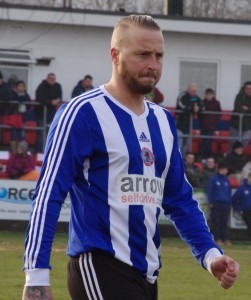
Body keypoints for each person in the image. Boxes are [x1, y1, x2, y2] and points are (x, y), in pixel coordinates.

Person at [22, 15, 239, 300]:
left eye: (159, 55)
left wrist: (210, 255)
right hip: (99, 266)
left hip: (147, 274)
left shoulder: (163, 121)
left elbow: (179, 200)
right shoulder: (82, 114)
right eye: (142, 54)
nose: (153, 64)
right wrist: (36, 277)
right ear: (115, 55)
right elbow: (48, 194)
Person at [34, 72, 62, 152]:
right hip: (41, 113)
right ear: (47, 79)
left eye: (53, 79)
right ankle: (39, 151)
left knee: (51, 132)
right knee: (41, 133)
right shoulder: (42, 86)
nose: (52, 80)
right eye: (50, 78)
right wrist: (50, 102)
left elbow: (59, 96)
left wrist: (57, 100)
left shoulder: (57, 86)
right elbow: (39, 98)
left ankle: (48, 150)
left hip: (52, 113)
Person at [175, 83, 203, 157]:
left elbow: (202, 105)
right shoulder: (182, 96)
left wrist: (198, 108)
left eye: (195, 91)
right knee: (179, 143)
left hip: (189, 125)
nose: (194, 92)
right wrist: (192, 108)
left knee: (185, 144)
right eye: (193, 90)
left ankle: (183, 159)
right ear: (189, 90)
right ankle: (177, 159)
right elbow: (181, 105)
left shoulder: (196, 97)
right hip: (179, 124)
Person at [207, 162, 232, 246]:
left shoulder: (226, 180)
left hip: (226, 204)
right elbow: (210, 191)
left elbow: (229, 191)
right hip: (216, 204)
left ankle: (225, 238)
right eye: (225, 169)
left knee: (224, 222)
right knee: (216, 222)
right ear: (221, 169)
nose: (226, 171)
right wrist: (211, 202)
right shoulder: (213, 179)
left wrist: (229, 201)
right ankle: (217, 238)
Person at [200, 88, 222, 158]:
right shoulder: (202, 102)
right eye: (207, 95)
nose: (208, 96)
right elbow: (199, 114)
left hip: (211, 126)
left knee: (208, 141)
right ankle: (204, 157)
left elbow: (219, 113)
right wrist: (201, 120)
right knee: (204, 141)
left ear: (213, 95)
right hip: (203, 125)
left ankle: (210, 156)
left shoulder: (216, 103)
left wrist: (214, 120)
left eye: (210, 95)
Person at [230, 81, 251, 146]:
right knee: (234, 143)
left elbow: (243, 109)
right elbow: (238, 108)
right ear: (244, 89)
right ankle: (231, 155)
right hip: (235, 124)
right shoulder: (239, 97)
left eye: (250, 88)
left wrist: (247, 109)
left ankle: (241, 155)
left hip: (247, 126)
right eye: (247, 88)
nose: (249, 90)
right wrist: (247, 110)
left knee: (245, 143)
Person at [232, 172, 251, 240]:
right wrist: (239, 210)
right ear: (248, 178)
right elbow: (234, 199)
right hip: (246, 211)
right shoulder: (243, 188)